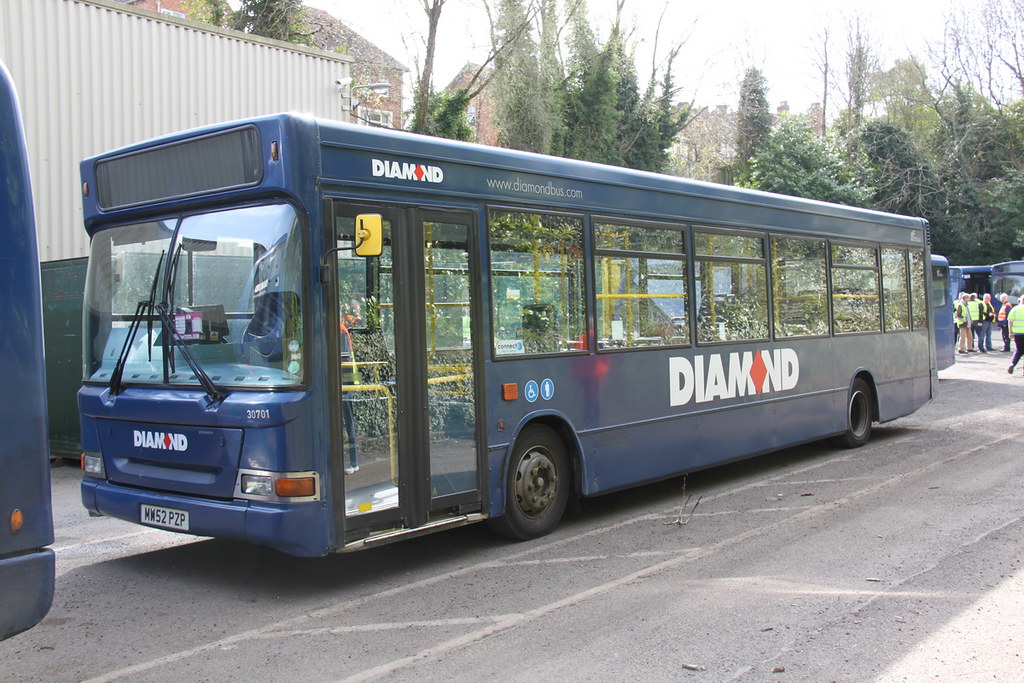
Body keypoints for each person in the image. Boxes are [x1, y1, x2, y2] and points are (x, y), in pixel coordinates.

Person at [340, 313, 361, 474]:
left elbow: (345, 360)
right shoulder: (342, 331)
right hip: (347, 383)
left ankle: (354, 463)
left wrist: (343, 386)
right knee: (348, 423)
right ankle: (353, 462)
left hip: (345, 384)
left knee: (348, 424)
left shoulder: (340, 332)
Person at [1006, 299, 1024, 374]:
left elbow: (1010, 321)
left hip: (1017, 333)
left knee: (1019, 350)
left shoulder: (1015, 309)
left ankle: (1012, 363)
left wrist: (1010, 332)